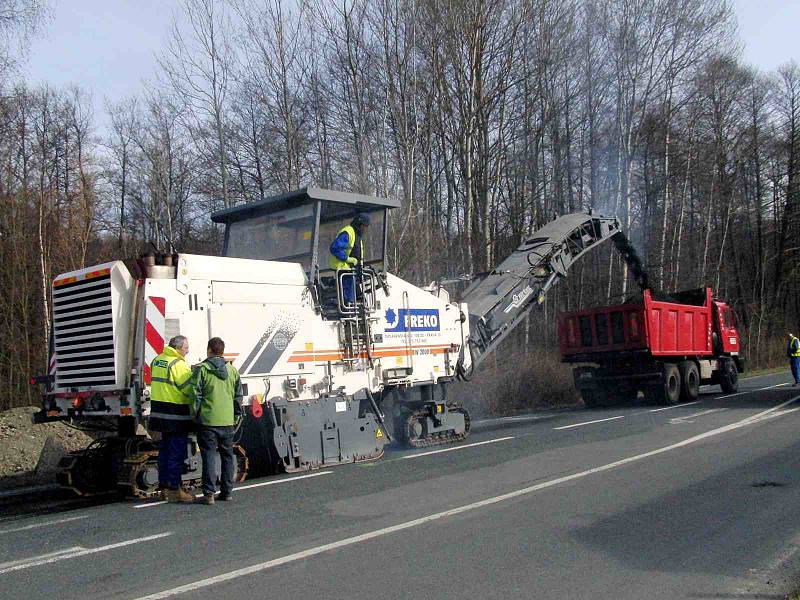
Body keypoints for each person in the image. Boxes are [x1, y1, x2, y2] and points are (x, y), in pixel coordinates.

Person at [193, 337, 243, 505]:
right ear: (223, 351)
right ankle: (227, 492)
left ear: (209, 350)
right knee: (227, 456)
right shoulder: (232, 371)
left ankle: (209, 494)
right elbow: (238, 397)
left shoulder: (202, 370)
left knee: (208, 456)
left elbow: (195, 396)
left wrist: (196, 415)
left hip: (207, 421)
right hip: (227, 421)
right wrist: (236, 416)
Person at [149, 335, 195, 503]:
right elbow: (188, 390)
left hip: (159, 414)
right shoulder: (179, 364)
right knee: (177, 452)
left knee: (165, 452)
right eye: (186, 347)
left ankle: (164, 487)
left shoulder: (157, 360)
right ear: (178, 348)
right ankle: (176, 489)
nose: (187, 350)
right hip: (176, 415)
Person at [329, 213, 370, 305]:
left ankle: (350, 306)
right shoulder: (348, 232)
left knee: (352, 294)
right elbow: (335, 248)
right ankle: (347, 309)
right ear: (359, 224)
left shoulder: (357, 235)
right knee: (346, 296)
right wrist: (347, 259)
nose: (365, 229)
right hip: (343, 268)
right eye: (364, 226)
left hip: (351, 269)